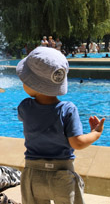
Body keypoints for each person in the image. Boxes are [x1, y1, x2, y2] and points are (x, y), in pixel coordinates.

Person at [16, 47, 105, 204]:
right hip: (62, 174)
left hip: (33, 174)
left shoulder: (24, 107)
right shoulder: (67, 109)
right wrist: (95, 133)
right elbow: (77, 143)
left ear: (34, 84)